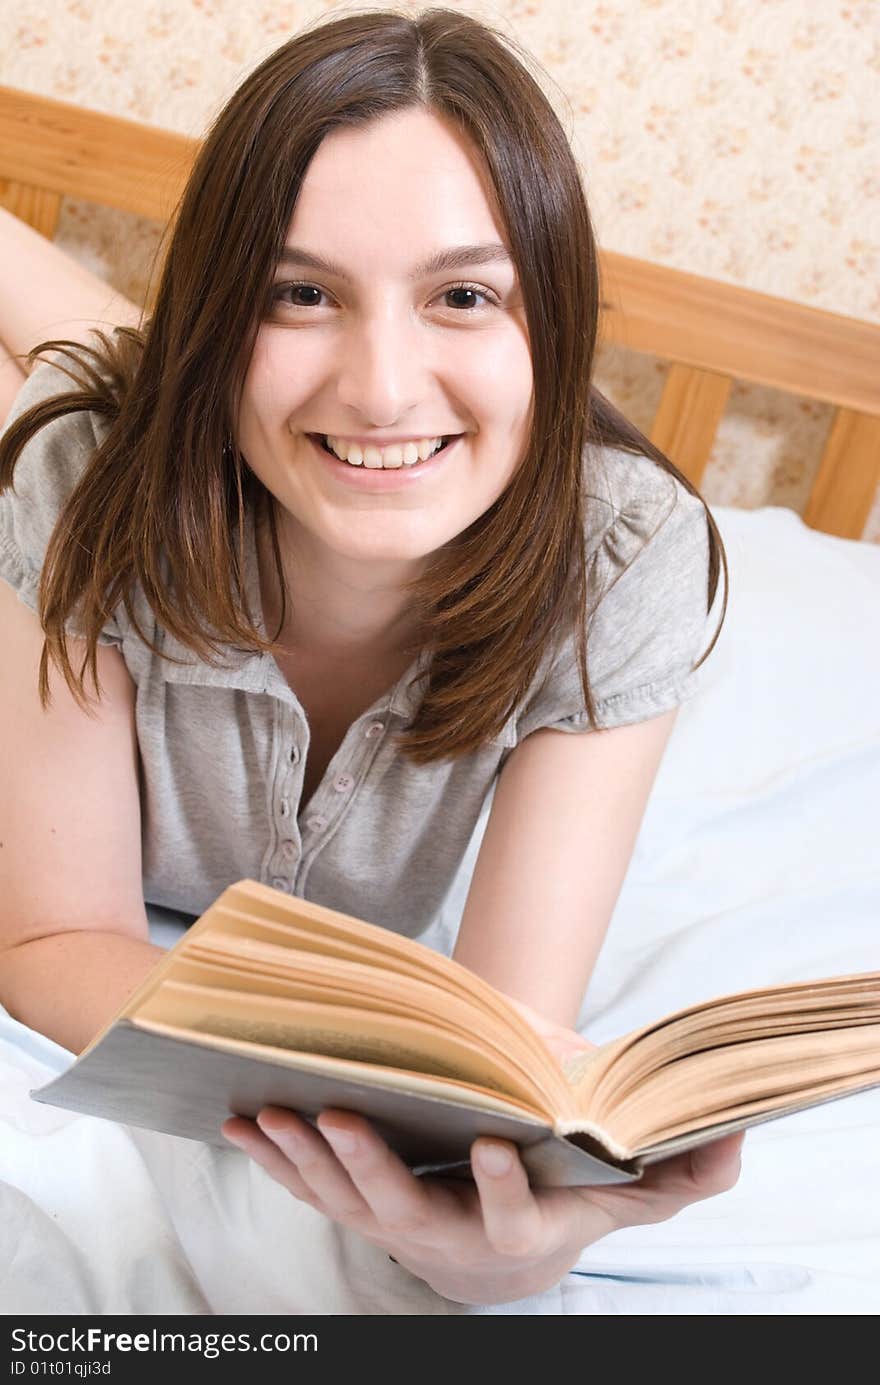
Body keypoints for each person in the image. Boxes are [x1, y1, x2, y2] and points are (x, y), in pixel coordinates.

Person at [0, 6, 742, 1308]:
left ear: (553, 324)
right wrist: (371, 1103)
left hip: (195, 410)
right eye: (299, 290)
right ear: (224, 308)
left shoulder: (627, 559)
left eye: (463, 293)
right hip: (140, 436)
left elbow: (498, 1051)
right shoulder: (80, 485)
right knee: (72, 389)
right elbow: (58, 930)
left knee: (100, 359)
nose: (386, 386)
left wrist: (509, 1230)